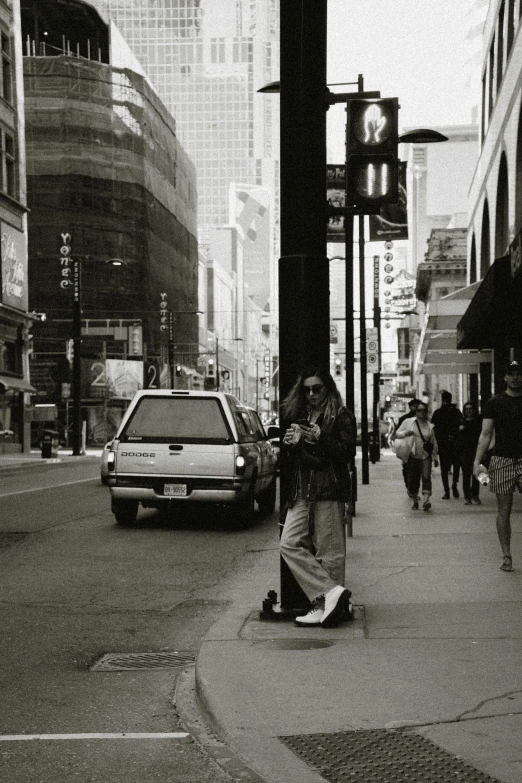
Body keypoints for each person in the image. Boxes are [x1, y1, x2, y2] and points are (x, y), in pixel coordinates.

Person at [279, 365, 355, 628]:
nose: (311, 394)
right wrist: (292, 444)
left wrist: (321, 437)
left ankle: (327, 607)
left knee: (329, 551)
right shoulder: (302, 414)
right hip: (301, 490)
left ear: (328, 388)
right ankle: (329, 595)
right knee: (288, 543)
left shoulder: (340, 416)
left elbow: (345, 454)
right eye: (307, 389)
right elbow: (300, 459)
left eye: (317, 388)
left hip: (327, 489)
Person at [473, 360, 522, 572]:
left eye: (519, 374)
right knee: (504, 510)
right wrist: (477, 462)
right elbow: (485, 435)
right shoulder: (495, 403)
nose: (515, 378)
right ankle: (507, 555)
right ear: (504, 377)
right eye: (511, 374)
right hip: (501, 461)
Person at [395, 401, 438, 511]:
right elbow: (397, 434)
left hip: (425, 456)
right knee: (413, 480)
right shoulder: (409, 422)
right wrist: (406, 433)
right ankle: (415, 501)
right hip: (412, 456)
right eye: (419, 410)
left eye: (424, 410)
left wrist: (435, 457)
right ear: (416, 411)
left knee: (426, 478)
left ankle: (426, 500)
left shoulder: (429, 425)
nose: (422, 413)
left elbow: (433, 442)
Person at [431, 391, 463, 499]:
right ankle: (454, 485)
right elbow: (461, 424)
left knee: (444, 468)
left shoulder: (438, 412)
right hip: (455, 442)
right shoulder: (456, 411)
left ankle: (447, 491)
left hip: (443, 443)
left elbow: (433, 427)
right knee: (456, 466)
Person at [455, 401, 482, 505]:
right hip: (464, 452)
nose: (469, 411)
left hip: (476, 451)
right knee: (466, 475)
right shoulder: (461, 422)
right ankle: (467, 497)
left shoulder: (478, 422)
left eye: (471, 409)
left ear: (474, 410)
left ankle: (475, 495)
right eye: (467, 409)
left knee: (477, 475)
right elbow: (457, 439)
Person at [396, 399, 421, 490]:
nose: (415, 408)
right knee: (407, 469)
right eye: (414, 406)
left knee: (417, 472)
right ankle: (409, 487)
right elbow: (397, 434)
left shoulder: (422, 418)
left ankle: (414, 489)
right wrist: (406, 433)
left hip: (419, 449)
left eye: (417, 406)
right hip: (407, 448)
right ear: (410, 407)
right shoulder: (404, 419)